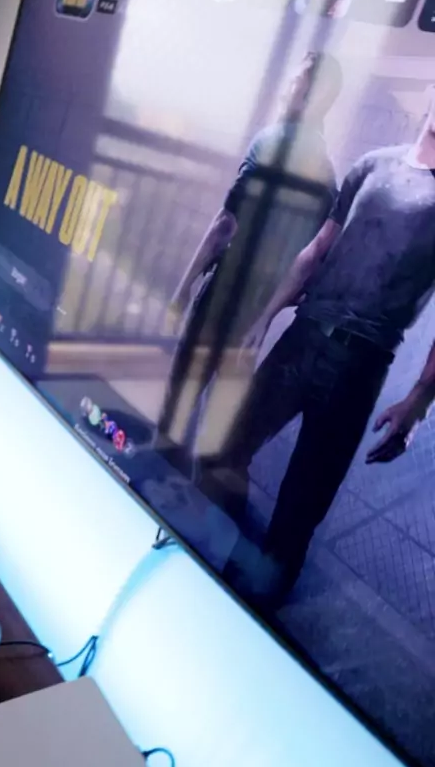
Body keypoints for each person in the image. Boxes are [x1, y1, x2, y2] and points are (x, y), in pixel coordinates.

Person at [205, 84, 435, 616]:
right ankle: (231, 562)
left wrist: (418, 403)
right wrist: (264, 319)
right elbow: (316, 252)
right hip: (304, 337)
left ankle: (252, 613)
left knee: (299, 509)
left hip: (361, 364)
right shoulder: (371, 165)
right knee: (221, 453)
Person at [157, 51, 343, 466]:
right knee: (216, 427)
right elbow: (306, 265)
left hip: (224, 292)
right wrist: (264, 322)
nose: (289, 88)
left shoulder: (270, 141)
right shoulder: (328, 174)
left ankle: (151, 478)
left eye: (297, 81)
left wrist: (183, 289)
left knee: (177, 407)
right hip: (258, 309)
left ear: (312, 94)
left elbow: (225, 225)